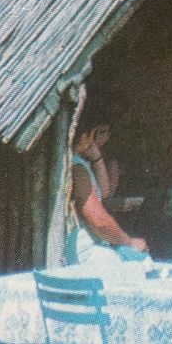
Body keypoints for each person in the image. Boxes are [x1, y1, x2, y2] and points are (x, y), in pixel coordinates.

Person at [66, 100, 147, 265]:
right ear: (84, 135)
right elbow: (99, 222)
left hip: (89, 248)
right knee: (143, 261)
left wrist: (96, 157)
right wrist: (128, 242)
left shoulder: (80, 163)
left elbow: (104, 191)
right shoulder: (77, 169)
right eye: (98, 132)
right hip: (85, 254)